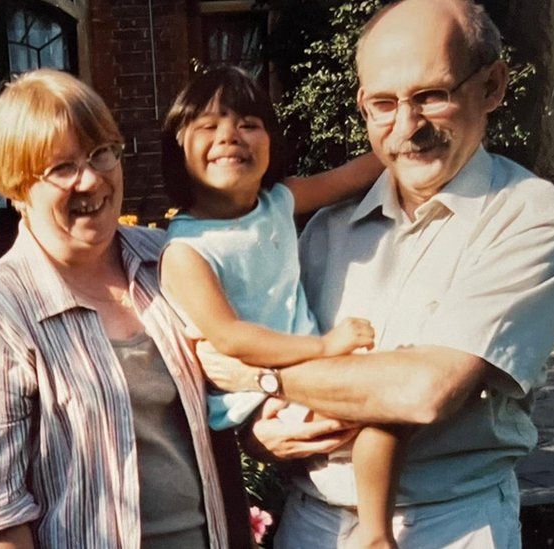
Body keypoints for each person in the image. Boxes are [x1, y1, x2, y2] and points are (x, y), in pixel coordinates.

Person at [198, 0, 554, 547]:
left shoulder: (528, 213)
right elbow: (262, 374)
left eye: (431, 96)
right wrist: (258, 430)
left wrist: (255, 376)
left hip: (450, 524)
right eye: (384, 104)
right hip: (309, 520)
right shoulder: (326, 230)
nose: (408, 126)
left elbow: (423, 391)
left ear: (492, 87)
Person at [0, 68, 253, 548]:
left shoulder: (168, 263)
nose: (91, 180)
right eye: (62, 168)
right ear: (17, 188)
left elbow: (241, 394)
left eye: (102, 153)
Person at [159, 64, 400, 549]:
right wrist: (325, 345)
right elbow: (230, 337)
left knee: (383, 408)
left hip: (307, 373)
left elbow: (349, 176)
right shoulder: (186, 250)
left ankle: (373, 528)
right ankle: (375, 533)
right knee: (379, 408)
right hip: (256, 398)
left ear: (271, 142)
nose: (230, 135)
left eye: (248, 123)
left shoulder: (277, 202)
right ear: (178, 149)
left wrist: (396, 133)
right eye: (208, 126)